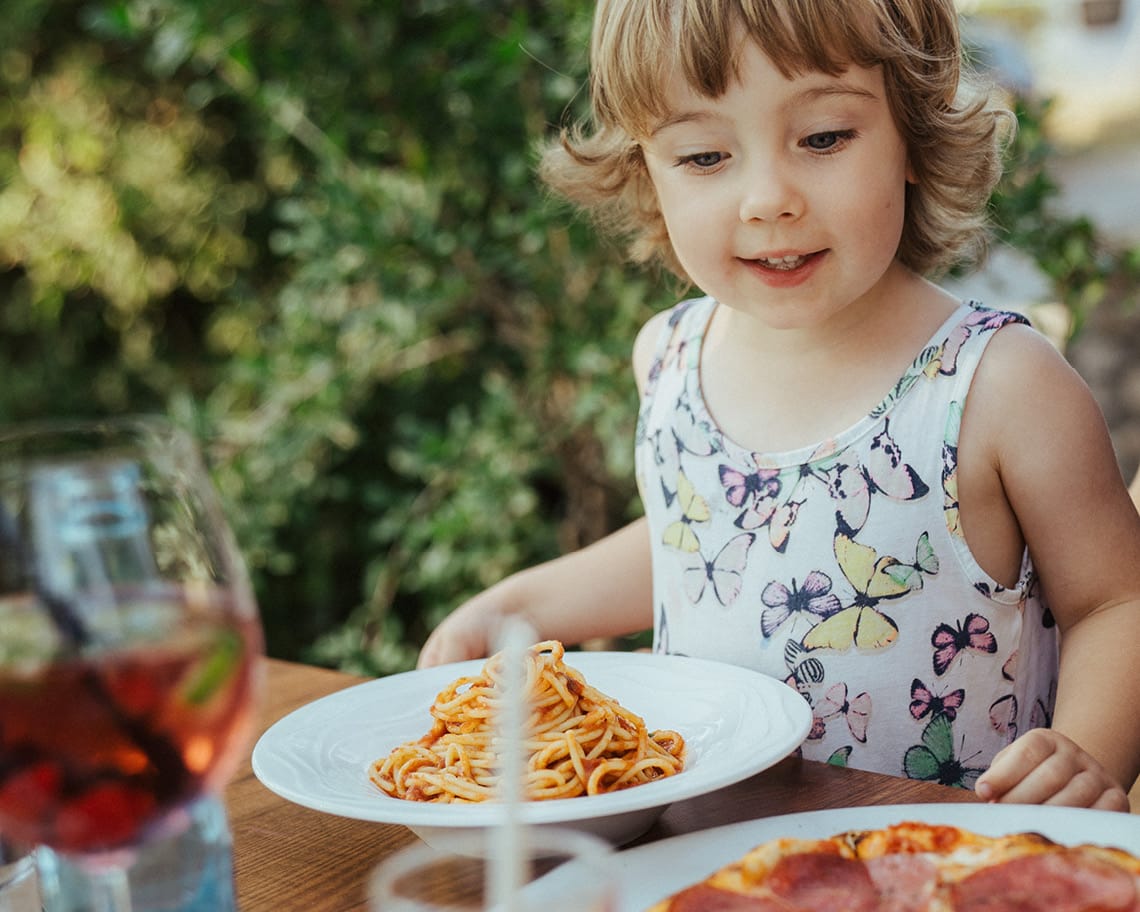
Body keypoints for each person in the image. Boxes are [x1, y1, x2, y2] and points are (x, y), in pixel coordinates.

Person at [418, 0, 1140, 811]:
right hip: (705, 867)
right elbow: (710, 546)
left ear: (913, 131)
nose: (768, 198)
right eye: (702, 155)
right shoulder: (668, 356)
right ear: (643, 168)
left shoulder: (998, 385)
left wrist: (1086, 754)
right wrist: (515, 606)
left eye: (824, 138)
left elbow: (1117, 599)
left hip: (945, 868)